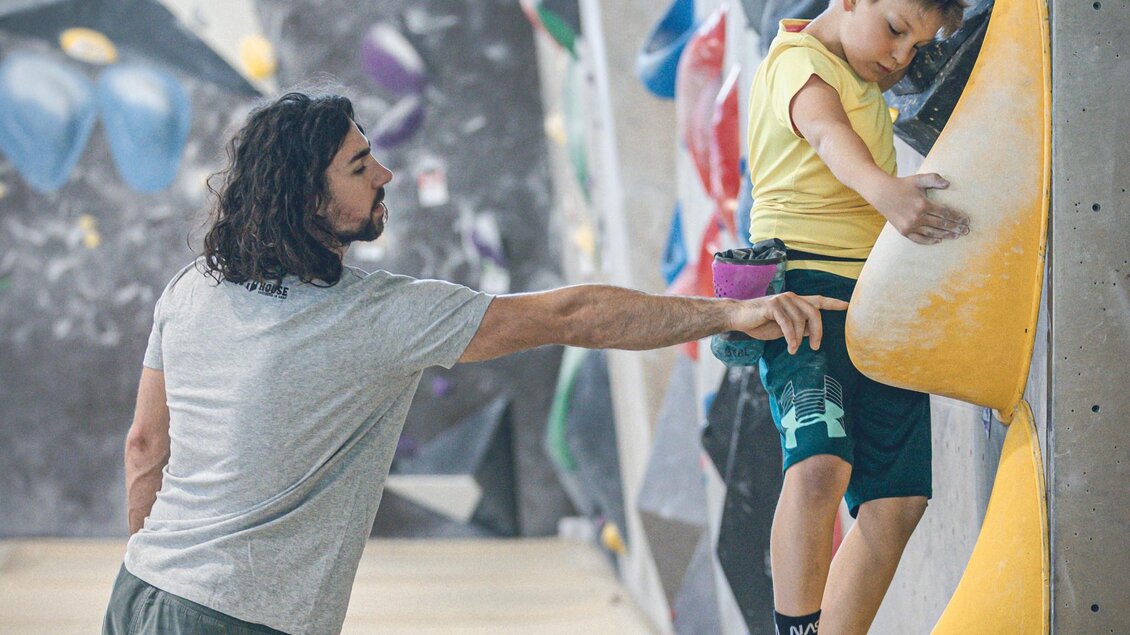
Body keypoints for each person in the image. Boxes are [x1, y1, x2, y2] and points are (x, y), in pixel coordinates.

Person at [102, 91, 844, 635]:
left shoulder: (193, 290)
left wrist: (159, 561)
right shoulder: (376, 317)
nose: (385, 174)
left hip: (138, 591)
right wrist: (725, 312)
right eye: (360, 165)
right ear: (308, 199)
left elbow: (144, 446)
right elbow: (570, 315)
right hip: (239, 619)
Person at [742, 0, 970, 633]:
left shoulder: (865, 78)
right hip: (804, 292)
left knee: (898, 504)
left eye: (917, 48)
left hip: (877, 299)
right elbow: (825, 134)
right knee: (818, 465)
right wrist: (886, 190)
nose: (901, 57)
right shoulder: (800, 62)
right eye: (896, 30)